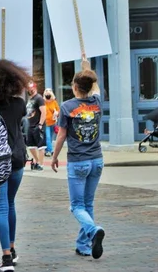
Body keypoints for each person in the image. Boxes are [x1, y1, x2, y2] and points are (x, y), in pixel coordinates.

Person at [52, 56, 105, 259]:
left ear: (74, 86)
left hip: (78, 161)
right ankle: (83, 245)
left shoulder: (67, 107)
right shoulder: (97, 101)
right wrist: (87, 67)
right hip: (97, 160)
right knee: (88, 204)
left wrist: (55, 156)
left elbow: (62, 135)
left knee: (77, 206)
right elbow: (96, 87)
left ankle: (93, 231)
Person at [0, 59, 31, 271]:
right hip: (17, 159)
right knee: (11, 204)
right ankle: (13, 249)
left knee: (1, 206)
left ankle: (6, 256)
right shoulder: (19, 105)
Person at [26, 81, 46, 171]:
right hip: (29, 125)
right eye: (29, 89)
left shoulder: (39, 98)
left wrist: (40, 124)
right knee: (31, 146)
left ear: (35, 88)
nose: (30, 90)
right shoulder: (30, 99)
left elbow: (44, 112)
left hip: (37, 125)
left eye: (32, 88)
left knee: (40, 146)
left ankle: (41, 164)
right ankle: (37, 161)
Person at [43, 88, 59, 157]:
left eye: (49, 92)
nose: (48, 93)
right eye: (46, 92)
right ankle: (52, 151)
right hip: (46, 123)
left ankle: (46, 151)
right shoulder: (43, 102)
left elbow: (58, 110)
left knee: (50, 138)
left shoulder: (54, 102)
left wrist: (56, 113)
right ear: (44, 94)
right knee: (48, 137)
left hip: (53, 123)